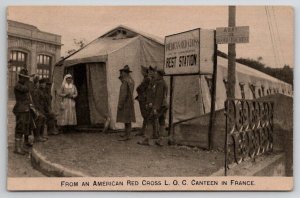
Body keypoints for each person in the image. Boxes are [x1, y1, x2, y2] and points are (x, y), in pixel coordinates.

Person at [13, 68, 32, 155]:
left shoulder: (23, 84)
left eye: (26, 78)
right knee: (19, 127)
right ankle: (17, 148)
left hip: (25, 109)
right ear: (20, 77)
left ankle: (19, 147)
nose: (26, 80)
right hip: (20, 109)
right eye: (25, 78)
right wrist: (29, 81)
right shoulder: (18, 85)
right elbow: (26, 89)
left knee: (23, 127)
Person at [117, 65, 135, 141]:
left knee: (126, 119)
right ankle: (127, 134)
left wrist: (120, 104)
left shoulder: (125, 81)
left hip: (125, 103)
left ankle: (127, 135)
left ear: (125, 73)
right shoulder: (131, 80)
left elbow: (123, 94)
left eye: (122, 72)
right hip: (130, 102)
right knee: (128, 119)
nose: (121, 74)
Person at [135, 66, 150, 136]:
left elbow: (139, 88)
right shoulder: (145, 79)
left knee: (145, 115)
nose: (141, 72)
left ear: (144, 72)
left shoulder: (146, 79)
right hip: (143, 98)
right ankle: (143, 131)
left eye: (142, 71)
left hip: (144, 99)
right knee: (145, 115)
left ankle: (144, 131)